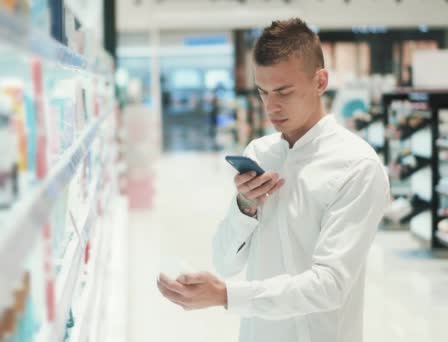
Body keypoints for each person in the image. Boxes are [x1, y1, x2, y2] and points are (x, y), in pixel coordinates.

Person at [156, 18, 390, 342]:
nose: (271, 106)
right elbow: (225, 261)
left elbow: (330, 286)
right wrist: (245, 206)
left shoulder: (356, 166)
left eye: (283, 91)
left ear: (320, 81)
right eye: (262, 92)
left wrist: (226, 296)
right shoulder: (260, 152)